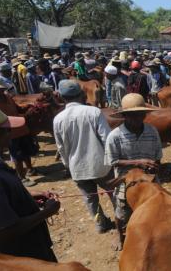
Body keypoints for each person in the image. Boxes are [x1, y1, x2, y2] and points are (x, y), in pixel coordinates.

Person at [53, 80, 115, 233]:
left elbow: (61, 147)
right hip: (101, 164)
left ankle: (100, 224)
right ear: (82, 94)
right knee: (113, 192)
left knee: (90, 199)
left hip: (77, 167)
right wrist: (113, 159)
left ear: (61, 97)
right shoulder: (93, 112)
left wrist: (68, 165)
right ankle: (123, 218)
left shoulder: (58, 119)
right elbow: (106, 138)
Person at [0, 109, 61, 261]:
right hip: (23, 257)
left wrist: (29, 196)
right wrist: (47, 212)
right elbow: (6, 230)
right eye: (7, 130)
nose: (11, 133)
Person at [105, 93, 162, 249]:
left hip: (149, 180)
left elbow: (158, 156)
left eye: (140, 115)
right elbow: (112, 161)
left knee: (154, 209)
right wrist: (138, 162)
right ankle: (118, 234)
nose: (137, 119)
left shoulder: (152, 131)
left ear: (145, 115)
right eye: (132, 115)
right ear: (124, 116)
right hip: (126, 181)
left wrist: (154, 166)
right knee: (122, 211)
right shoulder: (114, 136)